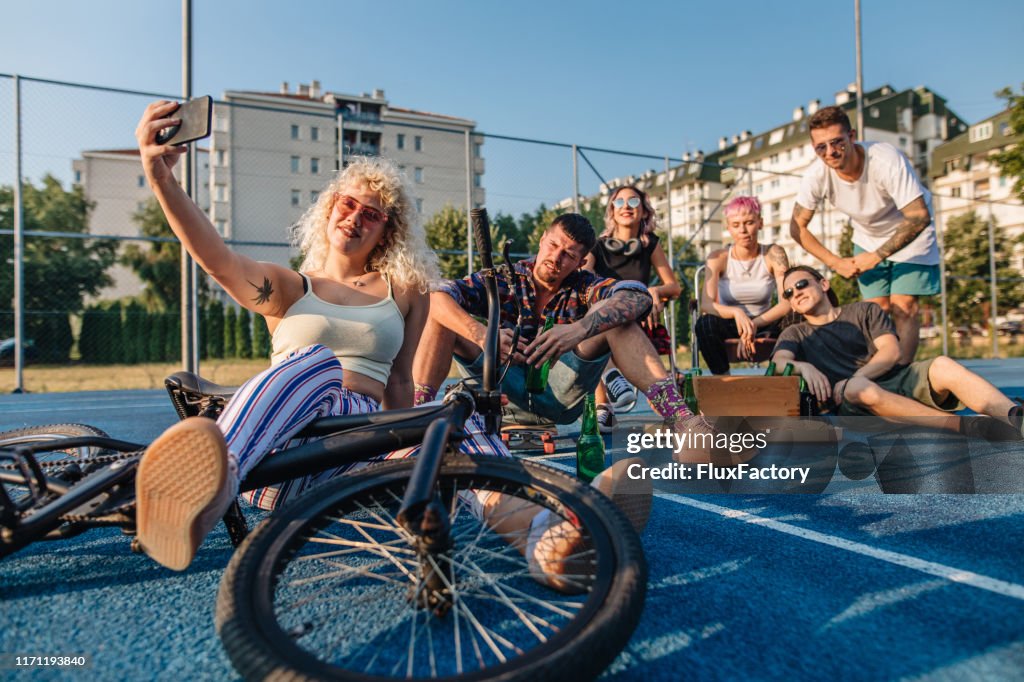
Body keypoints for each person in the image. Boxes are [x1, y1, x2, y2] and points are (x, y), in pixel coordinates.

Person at [131, 102, 648, 589]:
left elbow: (401, 383)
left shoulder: (404, 291)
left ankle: (546, 539)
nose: (355, 217)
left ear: (388, 229)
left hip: (358, 456)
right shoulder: (290, 286)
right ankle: (203, 495)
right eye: (347, 203)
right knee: (316, 364)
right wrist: (160, 175)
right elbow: (217, 259)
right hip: (282, 450)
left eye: (372, 213)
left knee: (452, 421)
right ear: (329, 207)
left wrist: (422, 433)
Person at [413, 212, 705, 440]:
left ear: (581, 262)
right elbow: (434, 295)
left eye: (569, 255)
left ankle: (682, 419)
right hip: (498, 387)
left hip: (560, 395)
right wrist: (482, 335)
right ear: (541, 240)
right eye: (553, 245)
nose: (556, 258)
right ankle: (414, 417)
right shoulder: (503, 277)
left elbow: (637, 296)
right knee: (440, 313)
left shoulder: (584, 285)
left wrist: (577, 330)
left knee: (615, 317)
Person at [771, 266, 1022, 438]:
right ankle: (969, 428)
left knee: (942, 364)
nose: (796, 293)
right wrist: (804, 366)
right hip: (851, 403)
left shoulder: (864, 311)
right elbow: (779, 361)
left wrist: (856, 376)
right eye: (789, 293)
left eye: (801, 284)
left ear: (823, 284)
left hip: (893, 379)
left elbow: (890, 351)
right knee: (860, 388)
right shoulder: (795, 333)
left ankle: (1014, 417)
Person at [790, 105, 940, 365]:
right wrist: (835, 263)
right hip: (867, 235)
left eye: (837, 142)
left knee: (903, 307)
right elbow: (797, 227)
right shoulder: (816, 175)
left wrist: (877, 256)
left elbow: (918, 216)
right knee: (876, 312)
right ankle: (883, 374)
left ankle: (904, 377)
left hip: (910, 232)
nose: (830, 152)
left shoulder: (885, 160)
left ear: (852, 135)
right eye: (821, 147)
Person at [583, 185, 682, 432]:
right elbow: (582, 278)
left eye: (634, 202)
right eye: (619, 202)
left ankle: (673, 410)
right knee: (600, 312)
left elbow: (674, 287)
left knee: (614, 318)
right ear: (611, 211)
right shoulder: (597, 246)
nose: (626, 206)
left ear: (644, 211)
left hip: (637, 316)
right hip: (604, 315)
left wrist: (655, 291)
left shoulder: (650, 245)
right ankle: (603, 401)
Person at [696, 196, 790, 374]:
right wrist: (736, 312)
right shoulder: (718, 258)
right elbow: (707, 305)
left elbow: (787, 302)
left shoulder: (773, 253)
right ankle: (723, 379)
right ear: (728, 228)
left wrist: (753, 324)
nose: (743, 230)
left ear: (760, 223)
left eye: (749, 222)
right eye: (736, 225)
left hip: (764, 322)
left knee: (798, 316)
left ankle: (785, 375)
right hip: (730, 324)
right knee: (705, 323)